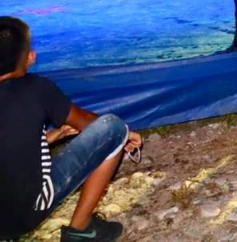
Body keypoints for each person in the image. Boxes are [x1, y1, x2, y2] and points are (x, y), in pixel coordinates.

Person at [0, 17, 143, 241]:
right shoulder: (37, 89)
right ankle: (81, 230)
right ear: (29, 58)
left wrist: (46, 139)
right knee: (113, 128)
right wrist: (125, 132)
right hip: (20, 215)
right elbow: (86, 121)